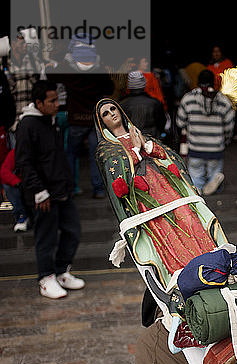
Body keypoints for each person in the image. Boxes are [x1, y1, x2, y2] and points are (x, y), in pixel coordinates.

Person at [94, 99, 216, 275]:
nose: (112, 113)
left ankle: (208, 258)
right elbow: (118, 175)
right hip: (144, 195)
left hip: (164, 185)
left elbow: (164, 154)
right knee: (165, 227)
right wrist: (136, 150)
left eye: (113, 108)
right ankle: (184, 269)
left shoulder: (139, 133)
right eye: (105, 113)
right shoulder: (107, 148)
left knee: (187, 217)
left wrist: (145, 144)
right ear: (101, 122)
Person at [15, 80, 85, 298]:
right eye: (52, 101)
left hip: (61, 189)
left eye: (57, 99)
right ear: (38, 102)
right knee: (46, 238)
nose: (57, 104)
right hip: (42, 194)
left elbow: (55, 156)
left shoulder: (50, 120)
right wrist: (39, 192)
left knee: (73, 231)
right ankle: (46, 278)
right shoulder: (27, 125)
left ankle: (61, 271)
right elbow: (23, 163)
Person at [55, 34, 114, 199]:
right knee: (96, 155)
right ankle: (99, 189)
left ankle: (72, 187)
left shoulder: (69, 69)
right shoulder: (98, 69)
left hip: (75, 118)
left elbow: (53, 76)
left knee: (71, 154)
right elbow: (109, 88)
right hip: (94, 119)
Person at [176, 69, 235, 196]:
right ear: (213, 83)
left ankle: (199, 193)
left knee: (196, 177)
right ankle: (212, 188)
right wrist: (225, 140)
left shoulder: (188, 99)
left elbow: (180, 122)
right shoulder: (224, 101)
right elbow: (229, 127)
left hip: (195, 147)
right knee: (214, 176)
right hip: (216, 148)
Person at [119, 70, 166, 139]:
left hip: (131, 141)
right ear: (144, 84)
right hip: (152, 141)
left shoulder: (121, 104)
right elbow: (162, 123)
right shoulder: (154, 103)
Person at [0, 147, 29, 231]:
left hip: (38, 187)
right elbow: (4, 171)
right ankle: (21, 216)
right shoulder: (16, 152)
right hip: (23, 186)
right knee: (8, 186)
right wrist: (18, 183)